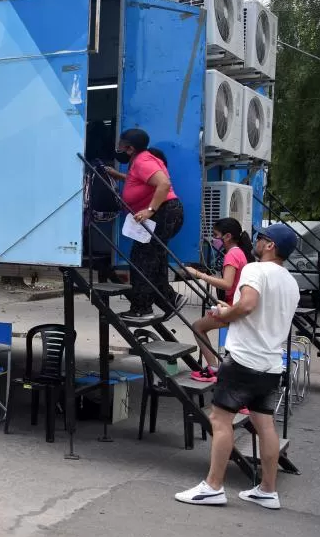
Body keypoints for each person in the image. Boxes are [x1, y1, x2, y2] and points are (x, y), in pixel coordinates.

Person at [175, 223, 299, 510]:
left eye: (262, 238)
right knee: (264, 423)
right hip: (270, 364)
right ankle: (268, 490)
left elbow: (247, 306)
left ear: (271, 246)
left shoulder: (255, 270)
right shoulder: (290, 282)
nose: (256, 241)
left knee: (220, 420)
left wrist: (223, 312)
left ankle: (213, 487)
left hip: (244, 359)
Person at [103, 129, 187, 319]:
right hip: (168, 212)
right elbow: (141, 182)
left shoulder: (143, 161)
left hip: (163, 213)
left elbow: (163, 184)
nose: (118, 149)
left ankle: (142, 309)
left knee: (142, 260)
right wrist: (120, 176)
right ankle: (170, 299)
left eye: (121, 146)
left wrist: (150, 210)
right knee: (153, 258)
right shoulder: (142, 160)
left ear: (130, 148)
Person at [186, 218, 255, 378]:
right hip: (234, 304)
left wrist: (199, 274)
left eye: (216, 235)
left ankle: (213, 368)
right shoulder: (239, 252)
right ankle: (218, 368)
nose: (214, 239)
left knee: (198, 327)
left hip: (231, 307)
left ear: (228, 236)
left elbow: (227, 284)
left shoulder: (232, 255)